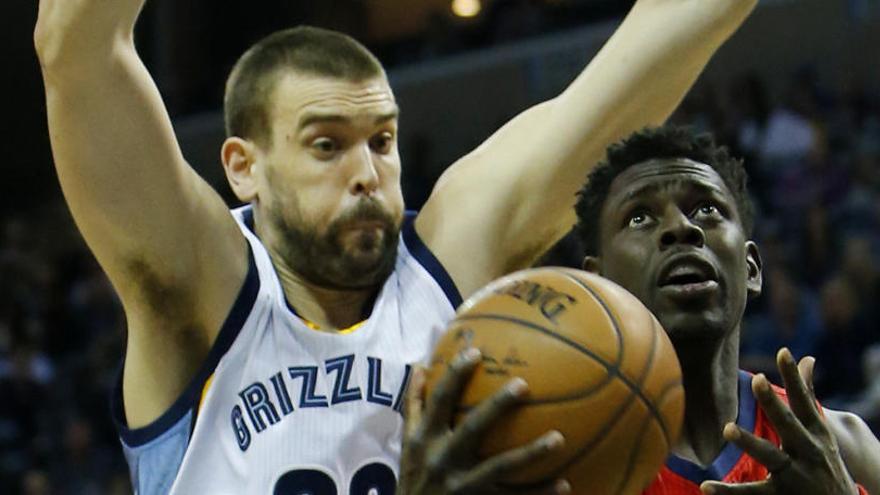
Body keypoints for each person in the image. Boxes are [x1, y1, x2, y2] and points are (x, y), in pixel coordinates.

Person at [33, 0, 757, 492]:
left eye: (382, 140)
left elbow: (663, 38)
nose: (367, 174)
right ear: (242, 166)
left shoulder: (448, 254)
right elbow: (76, 47)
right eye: (327, 145)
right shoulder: (202, 285)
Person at [570, 125, 880, 494]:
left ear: (751, 268)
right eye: (639, 217)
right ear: (598, 286)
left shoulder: (845, 447)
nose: (681, 228)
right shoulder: (567, 468)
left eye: (706, 208)